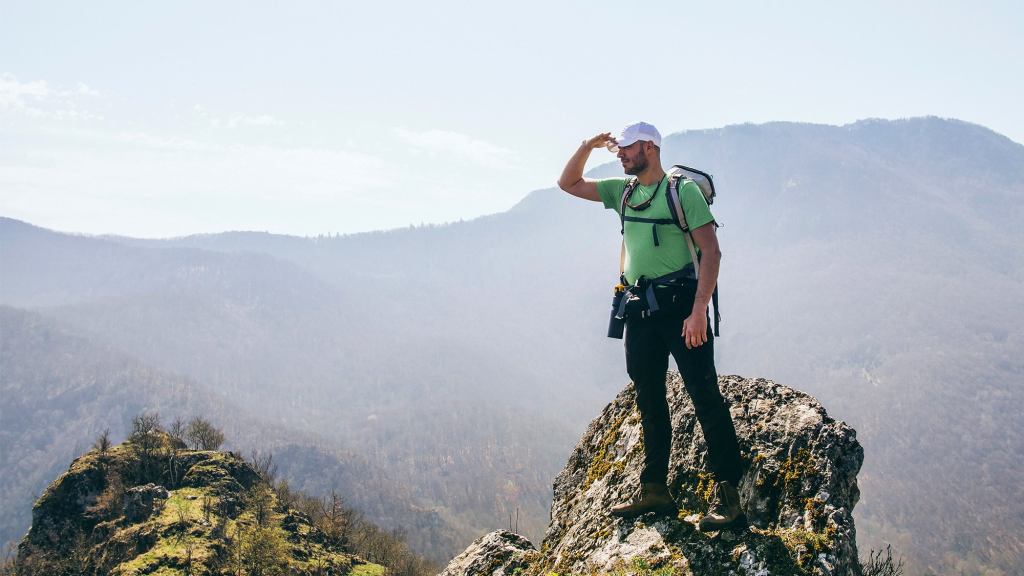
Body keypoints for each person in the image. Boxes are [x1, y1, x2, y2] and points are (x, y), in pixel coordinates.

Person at [557, 122, 745, 531]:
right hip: (639, 308)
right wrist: (588, 144)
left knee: (704, 395)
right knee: (649, 398)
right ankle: (655, 490)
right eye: (619, 149)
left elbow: (711, 252)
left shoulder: (683, 192)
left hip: (681, 308)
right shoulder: (623, 192)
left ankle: (730, 497)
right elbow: (568, 183)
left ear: (649, 147)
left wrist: (698, 313)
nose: (620, 155)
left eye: (626, 149)